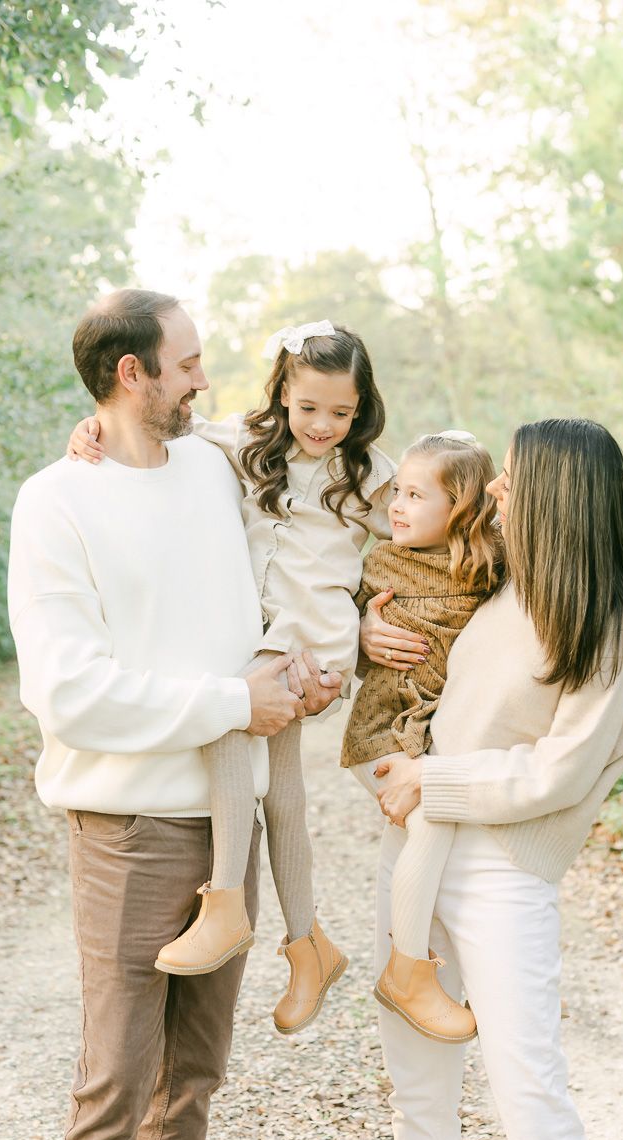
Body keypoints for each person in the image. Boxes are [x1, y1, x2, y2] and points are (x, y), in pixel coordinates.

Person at [7, 289, 340, 1140]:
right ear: (131, 373)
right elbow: (69, 694)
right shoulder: (56, 503)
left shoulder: (213, 466)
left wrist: (323, 656)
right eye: (187, 363)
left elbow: (323, 488)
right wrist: (233, 701)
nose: (205, 378)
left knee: (191, 1080)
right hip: (129, 830)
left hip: (230, 831)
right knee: (116, 1084)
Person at [361, 417, 623, 1140]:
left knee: (531, 1103)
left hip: (502, 875)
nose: (496, 486)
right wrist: (370, 627)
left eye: (513, 476)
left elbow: (559, 774)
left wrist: (434, 778)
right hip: (416, 858)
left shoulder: (614, 626)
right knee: (418, 1099)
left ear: (557, 496)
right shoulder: (496, 584)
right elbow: (378, 548)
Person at [66, 319, 396, 1034]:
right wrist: (89, 430)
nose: (322, 426)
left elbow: (425, 529)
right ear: (281, 393)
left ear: (360, 408)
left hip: (311, 648)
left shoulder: (366, 475)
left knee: (221, 709)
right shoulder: (247, 447)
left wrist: (378, 613)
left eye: (341, 413)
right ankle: (309, 944)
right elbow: (165, 429)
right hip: (270, 641)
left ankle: (224, 905)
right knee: (282, 795)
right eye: (308, 408)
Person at [341, 431, 503, 1044]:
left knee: (438, 820)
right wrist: (361, 626)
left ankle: (434, 968)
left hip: (439, 734)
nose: (397, 505)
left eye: (416, 495)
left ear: (460, 509)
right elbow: (329, 619)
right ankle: (406, 970)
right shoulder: (380, 563)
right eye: (397, 491)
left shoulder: (493, 567)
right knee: (435, 815)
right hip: (384, 728)